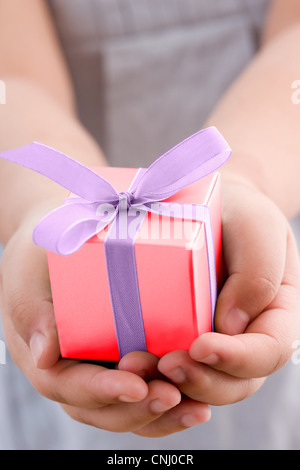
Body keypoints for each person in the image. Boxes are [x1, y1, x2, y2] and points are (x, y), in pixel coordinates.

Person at [0, 0, 300, 449]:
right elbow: (13, 76)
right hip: (61, 248)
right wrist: (38, 202)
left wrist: (244, 181)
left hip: (269, 181)